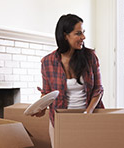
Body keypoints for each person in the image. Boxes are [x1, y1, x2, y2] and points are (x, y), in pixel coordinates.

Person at [33, 14, 104, 147]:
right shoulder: (47, 62)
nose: (83, 37)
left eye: (83, 33)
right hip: (60, 121)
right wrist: (41, 108)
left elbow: (98, 89)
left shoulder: (90, 57)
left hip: (87, 117)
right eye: (78, 33)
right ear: (65, 35)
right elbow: (47, 93)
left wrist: (87, 113)